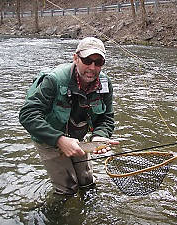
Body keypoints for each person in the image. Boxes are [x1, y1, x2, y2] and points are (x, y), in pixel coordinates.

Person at [19, 37, 119, 196]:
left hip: (77, 138)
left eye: (98, 62)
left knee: (87, 182)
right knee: (67, 189)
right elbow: (27, 114)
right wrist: (59, 140)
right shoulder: (54, 80)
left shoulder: (105, 84)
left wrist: (99, 136)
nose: (92, 67)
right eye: (87, 60)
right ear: (75, 58)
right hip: (49, 139)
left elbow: (106, 117)